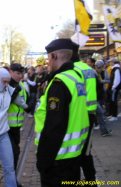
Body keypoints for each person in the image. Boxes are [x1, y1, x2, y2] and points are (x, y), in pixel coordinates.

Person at [34, 39, 89, 186]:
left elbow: (54, 127)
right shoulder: (76, 77)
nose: (47, 63)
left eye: (48, 58)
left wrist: (43, 161)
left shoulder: (59, 82)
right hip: (74, 155)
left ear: (54, 56)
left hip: (58, 160)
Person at [72, 42, 98, 184]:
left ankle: (87, 180)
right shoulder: (88, 69)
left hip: (80, 114)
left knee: (77, 150)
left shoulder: (74, 70)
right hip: (90, 113)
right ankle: (90, 178)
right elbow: (98, 90)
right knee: (86, 150)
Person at [7, 63, 31, 187]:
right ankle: (11, 182)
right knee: (13, 153)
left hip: (16, 126)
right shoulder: (6, 84)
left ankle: (12, 179)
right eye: (17, 73)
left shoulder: (20, 84)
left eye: (21, 74)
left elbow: (24, 99)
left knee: (14, 153)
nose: (20, 76)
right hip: (5, 127)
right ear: (10, 72)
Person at [94, 60, 113, 137]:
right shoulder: (94, 73)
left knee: (100, 112)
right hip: (94, 97)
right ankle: (103, 130)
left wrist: (103, 81)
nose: (99, 69)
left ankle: (103, 130)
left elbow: (107, 81)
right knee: (100, 112)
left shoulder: (100, 72)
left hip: (98, 95)